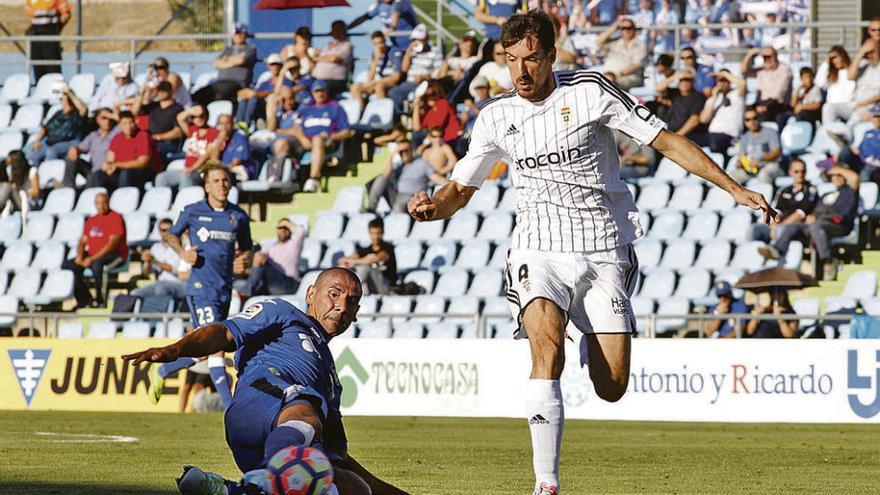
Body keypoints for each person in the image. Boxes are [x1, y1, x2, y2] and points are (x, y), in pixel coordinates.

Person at [404, 11, 776, 495]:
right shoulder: (496, 115)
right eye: (511, 60)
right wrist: (431, 209)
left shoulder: (590, 90)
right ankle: (546, 483)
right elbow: (460, 188)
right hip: (537, 247)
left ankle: (589, 336)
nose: (520, 71)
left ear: (551, 56)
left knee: (612, 386)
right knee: (545, 349)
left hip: (603, 249)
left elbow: (665, 141)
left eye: (531, 60)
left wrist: (733, 188)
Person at [122, 268, 410, 495]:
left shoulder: (331, 380)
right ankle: (259, 484)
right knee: (305, 405)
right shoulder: (283, 313)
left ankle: (238, 490)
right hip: (258, 406)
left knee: (353, 488)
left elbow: (339, 456)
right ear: (311, 294)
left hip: (281, 447)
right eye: (334, 294)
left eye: (351, 301)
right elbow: (225, 334)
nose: (341, 306)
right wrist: (178, 349)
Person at [147, 164, 252, 409]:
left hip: (224, 288)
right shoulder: (193, 212)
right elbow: (171, 235)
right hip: (200, 287)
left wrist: (244, 260)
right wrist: (183, 253)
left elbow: (247, 248)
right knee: (215, 346)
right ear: (206, 186)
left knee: (204, 350)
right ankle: (231, 407)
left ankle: (163, 369)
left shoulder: (237, 216)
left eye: (225, 180)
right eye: (216, 181)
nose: (222, 185)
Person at [759, 166, 858, 280]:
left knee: (816, 226)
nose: (836, 178)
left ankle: (829, 261)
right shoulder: (827, 194)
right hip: (817, 225)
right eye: (833, 176)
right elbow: (815, 211)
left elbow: (854, 177)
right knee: (793, 226)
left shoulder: (851, 191)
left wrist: (836, 169)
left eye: (839, 175)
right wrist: (812, 216)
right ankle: (777, 250)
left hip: (839, 225)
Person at [61, 192, 127, 308]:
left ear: (108, 203)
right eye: (98, 203)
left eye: (103, 203)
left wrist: (91, 259)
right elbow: (82, 241)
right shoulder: (92, 220)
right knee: (69, 265)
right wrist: (80, 256)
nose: (101, 206)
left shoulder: (116, 218)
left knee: (98, 265)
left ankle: (100, 300)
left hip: (113, 255)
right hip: (92, 255)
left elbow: (112, 245)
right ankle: (84, 299)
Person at [286, 81, 353, 193]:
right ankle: (284, 180)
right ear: (312, 93)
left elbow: (347, 131)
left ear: (327, 92)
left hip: (326, 142)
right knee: (282, 143)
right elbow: (296, 127)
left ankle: (314, 179)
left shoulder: (335, 107)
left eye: (322, 90)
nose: (320, 94)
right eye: (317, 91)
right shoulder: (306, 109)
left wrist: (331, 136)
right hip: (304, 141)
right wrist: (303, 139)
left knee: (317, 139)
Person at [368, 138, 448, 213]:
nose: (404, 153)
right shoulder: (399, 166)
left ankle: (397, 222)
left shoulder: (421, 163)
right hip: (396, 196)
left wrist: (454, 185)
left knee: (401, 203)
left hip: (413, 198)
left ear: (411, 150)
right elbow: (385, 175)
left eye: (406, 150)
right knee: (381, 178)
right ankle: (371, 209)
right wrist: (394, 153)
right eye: (401, 151)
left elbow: (437, 178)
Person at [748, 158, 818, 243]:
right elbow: (778, 210)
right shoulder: (785, 190)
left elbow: (800, 214)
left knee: (782, 230)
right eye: (796, 171)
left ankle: (774, 252)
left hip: (797, 226)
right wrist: (774, 224)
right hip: (781, 224)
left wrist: (779, 226)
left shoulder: (810, 190)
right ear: (790, 172)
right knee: (755, 229)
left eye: (803, 171)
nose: (800, 174)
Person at [193, 22, 257, 107]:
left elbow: (241, 60)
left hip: (237, 83)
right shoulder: (228, 49)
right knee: (198, 95)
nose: (237, 36)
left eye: (239, 33)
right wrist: (233, 61)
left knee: (219, 93)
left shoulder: (250, 49)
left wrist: (227, 60)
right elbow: (216, 63)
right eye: (235, 33)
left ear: (244, 34)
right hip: (220, 82)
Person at [92, 111, 158, 191]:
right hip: (121, 172)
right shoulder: (117, 138)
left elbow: (142, 163)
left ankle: (124, 200)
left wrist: (117, 165)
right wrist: (108, 167)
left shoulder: (142, 136)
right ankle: (102, 200)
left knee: (126, 173)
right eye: (125, 123)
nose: (128, 126)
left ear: (135, 122)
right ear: (120, 125)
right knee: (97, 175)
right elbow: (110, 159)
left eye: (131, 123)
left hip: (142, 172)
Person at [155, 105, 219, 188]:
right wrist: (190, 111)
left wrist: (192, 168)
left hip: (201, 170)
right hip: (187, 169)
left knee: (186, 177)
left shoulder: (213, 132)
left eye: (202, 116)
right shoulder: (193, 130)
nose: (199, 118)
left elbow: (206, 155)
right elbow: (180, 118)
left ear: (207, 116)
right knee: (161, 178)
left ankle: (183, 200)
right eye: (195, 117)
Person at [24, 84, 87, 166]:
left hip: (69, 141)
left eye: (67, 97)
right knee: (32, 150)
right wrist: (38, 141)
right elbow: (45, 128)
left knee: (52, 151)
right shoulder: (58, 114)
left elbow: (84, 110)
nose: (65, 100)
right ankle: (33, 173)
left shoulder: (76, 114)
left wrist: (69, 93)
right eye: (63, 98)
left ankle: (48, 173)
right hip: (51, 140)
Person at [241, 217, 304, 297]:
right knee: (259, 258)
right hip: (271, 283)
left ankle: (246, 293)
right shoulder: (270, 247)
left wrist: (286, 222)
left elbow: (300, 231)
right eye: (280, 228)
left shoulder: (294, 244)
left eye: (286, 228)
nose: (283, 230)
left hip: (289, 283)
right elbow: (258, 260)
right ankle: (247, 292)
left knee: (261, 260)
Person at [388, 24, 443, 114]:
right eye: (415, 39)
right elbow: (404, 69)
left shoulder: (435, 52)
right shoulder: (411, 51)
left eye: (420, 39)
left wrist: (425, 77)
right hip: (410, 82)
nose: (418, 42)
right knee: (393, 93)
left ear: (426, 39)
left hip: (426, 84)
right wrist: (408, 52)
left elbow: (438, 72)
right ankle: (401, 117)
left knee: (417, 97)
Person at [692, 69, 745, 158]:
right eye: (719, 80)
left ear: (729, 81)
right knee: (689, 141)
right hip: (712, 134)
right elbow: (704, 119)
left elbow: (742, 84)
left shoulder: (737, 94)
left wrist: (724, 73)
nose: (721, 83)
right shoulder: (714, 98)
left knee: (715, 143)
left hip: (730, 136)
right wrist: (714, 98)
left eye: (724, 80)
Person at [131, 80, 184, 166]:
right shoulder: (154, 106)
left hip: (167, 143)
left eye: (164, 89)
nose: (161, 92)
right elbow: (134, 113)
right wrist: (141, 95)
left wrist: (160, 137)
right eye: (159, 89)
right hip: (151, 140)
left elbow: (178, 132)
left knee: (150, 152)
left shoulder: (177, 108)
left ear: (170, 91)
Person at [131, 218, 187, 299]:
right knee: (135, 293)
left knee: (161, 289)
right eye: (163, 230)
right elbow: (147, 273)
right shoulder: (155, 247)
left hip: (176, 283)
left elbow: (173, 269)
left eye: (169, 229)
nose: (166, 233)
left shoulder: (179, 247)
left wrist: (153, 260)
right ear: (159, 231)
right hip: (159, 282)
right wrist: (147, 262)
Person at [64, 107, 119, 188]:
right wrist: (75, 149)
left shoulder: (116, 132)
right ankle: (68, 188)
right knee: (71, 158)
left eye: (109, 118)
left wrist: (110, 115)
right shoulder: (93, 135)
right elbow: (81, 149)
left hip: (108, 171)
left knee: (93, 176)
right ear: (97, 120)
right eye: (104, 118)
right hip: (93, 169)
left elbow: (124, 122)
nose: (107, 121)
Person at [338, 219, 397, 295]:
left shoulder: (387, 248)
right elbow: (341, 260)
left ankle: (350, 289)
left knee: (365, 268)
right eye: (373, 233)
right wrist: (349, 263)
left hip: (385, 286)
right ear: (369, 232)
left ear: (383, 232)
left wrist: (353, 262)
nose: (375, 236)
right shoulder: (366, 250)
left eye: (378, 233)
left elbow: (372, 260)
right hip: (370, 285)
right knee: (345, 266)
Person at [349, 31, 404, 112]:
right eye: (376, 44)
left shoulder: (395, 52)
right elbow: (370, 78)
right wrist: (376, 59)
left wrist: (375, 82)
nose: (379, 46)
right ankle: (359, 113)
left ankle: (383, 114)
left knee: (379, 86)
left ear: (385, 41)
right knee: (354, 87)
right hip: (375, 82)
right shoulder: (374, 55)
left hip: (388, 82)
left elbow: (396, 77)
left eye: (381, 43)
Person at [728, 106, 783, 184]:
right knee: (730, 176)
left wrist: (760, 160)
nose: (752, 122)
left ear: (759, 118)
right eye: (748, 119)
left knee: (764, 174)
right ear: (744, 122)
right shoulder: (744, 137)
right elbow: (741, 156)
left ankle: (764, 196)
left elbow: (777, 152)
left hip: (770, 165)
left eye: (755, 118)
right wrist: (740, 163)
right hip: (751, 169)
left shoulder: (771, 132)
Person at [740, 47, 792, 127]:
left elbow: (778, 93)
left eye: (769, 56)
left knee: (761, 115)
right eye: (764, 57)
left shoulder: (784, 70)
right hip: (761, 102)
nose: (767, 59)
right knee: (744, 112)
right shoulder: (761, 70)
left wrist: (764, 105)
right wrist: (749, 55)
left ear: (775, 56)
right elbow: (743, 71)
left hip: (777, 104)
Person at [595, 17, 648, 90]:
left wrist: (617, 75)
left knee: (609, 84)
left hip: (628, 77)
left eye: (629, 28)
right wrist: (613, 28)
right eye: (623, 28)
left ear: (634, 29)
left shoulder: (640, 45)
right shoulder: (615, 42)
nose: (626, 30)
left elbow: (636, 64)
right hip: (608, 76)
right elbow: (598, 42)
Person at [233, 53, 283, 127]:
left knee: (254, 97)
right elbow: (256, 92)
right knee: (246, 98)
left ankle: (247, 123)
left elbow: (279, 91)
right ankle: (240, 122)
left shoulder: (284, 80)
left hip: (273, 106)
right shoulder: (265, 82)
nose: (275, 67)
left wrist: (257, 94)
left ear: (281, 66)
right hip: (261, 106)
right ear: (268, 66)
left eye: (277, 64)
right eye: (272, 64)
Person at [653, 68, 706, 138]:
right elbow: (657, 89)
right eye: (681, 80)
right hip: (671, 133)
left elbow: (694, 120)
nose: (684, 82)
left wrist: (677, 136)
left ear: (693, 81)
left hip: (688, 136)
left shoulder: (698, 97)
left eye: (687, 80)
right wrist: (674, 77)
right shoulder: (675, 93)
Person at [24, 0, 71, 79]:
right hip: (35, 35)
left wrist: (56, 29)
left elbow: (66, 15)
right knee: (38, 65)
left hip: (50, 33)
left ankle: (55, 87)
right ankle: (40, 86)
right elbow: (29, 15)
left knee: (52, 66)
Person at [411, 80, 462, 148]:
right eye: (426, 96)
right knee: (416, 135)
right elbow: (416, 128)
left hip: (452, 140)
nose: (429, 98)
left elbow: (437, 126)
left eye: (432, 94)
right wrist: (416, 106)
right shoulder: (429, 113)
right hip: (439, 142)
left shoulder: (443, 103)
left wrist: (424, 144)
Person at [349, 0, 418, 48]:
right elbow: (364, 17)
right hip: (397, 45)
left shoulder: (401, 2)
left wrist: (391, 28)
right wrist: (347, 28)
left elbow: (396, 14)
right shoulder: (378, 5)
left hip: (414, 42)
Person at [311, 21, 354, 99]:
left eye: (339, 29)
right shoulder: (327, 46)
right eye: (335, 29)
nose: (336, 32)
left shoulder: (347, 46)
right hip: (317, 78)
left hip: (334, 80)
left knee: (320, 91)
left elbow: (335, 58)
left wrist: (317, 59)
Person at [838, 104, 880, 183]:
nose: (877, 119)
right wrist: (856, 149)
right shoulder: (868, 131)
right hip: (861, 159)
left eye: (879, 116)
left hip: (874, 163)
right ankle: (837, 170)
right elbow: (859, 146)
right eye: (875, 116)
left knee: (866, 172)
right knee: (846, 151)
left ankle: (860, 191)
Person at [208, 114, 256, 182]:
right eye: (222, 123)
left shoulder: (239, 137)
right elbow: (214, 159)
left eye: (227, 123)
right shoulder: (216, 138)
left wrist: (221, 171)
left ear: (232, 124)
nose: (224, 126)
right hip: (221, 170)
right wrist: (220, 141)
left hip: (236, 169)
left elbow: (236, 162)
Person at [846, 35, 880, 127]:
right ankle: (825, 136)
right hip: (853, 103)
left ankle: (844, 134)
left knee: (857, 115)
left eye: (872, 51)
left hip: (870, 104)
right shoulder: (863, 64)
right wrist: (860, 53)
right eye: (867, 53)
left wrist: (863, 103)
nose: (870, 55)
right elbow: (850, 76)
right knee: (828, 108)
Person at [819, 46, 855, 125]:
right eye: (832, 59)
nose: (834, 61)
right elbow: (819, 83)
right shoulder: (832, 75)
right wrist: (826, 62)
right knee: (827, 108)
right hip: (832, 108)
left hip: (848, 106)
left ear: (842, 56)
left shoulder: (851, 72)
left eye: (836, 57)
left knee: (827, 108)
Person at [0, 150, 40, 220]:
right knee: (3, 185)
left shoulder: (32, 171)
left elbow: (36, 193)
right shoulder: (12, 171)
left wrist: (22, 191)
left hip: (28, 201)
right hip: (17, 199)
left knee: (7, 186)